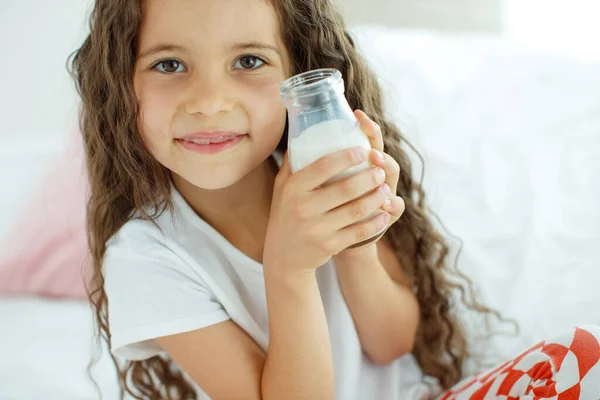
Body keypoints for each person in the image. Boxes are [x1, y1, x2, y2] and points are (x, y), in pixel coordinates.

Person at [69, 0, 600, 399]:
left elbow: (391, 343)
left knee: (584, 353)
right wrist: (289, 269)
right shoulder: (144, 259)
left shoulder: (318, 171)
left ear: (297, 75)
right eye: (169, 65)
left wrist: (358, 241)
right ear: (120, 84)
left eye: (249, 60)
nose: (209, 102)